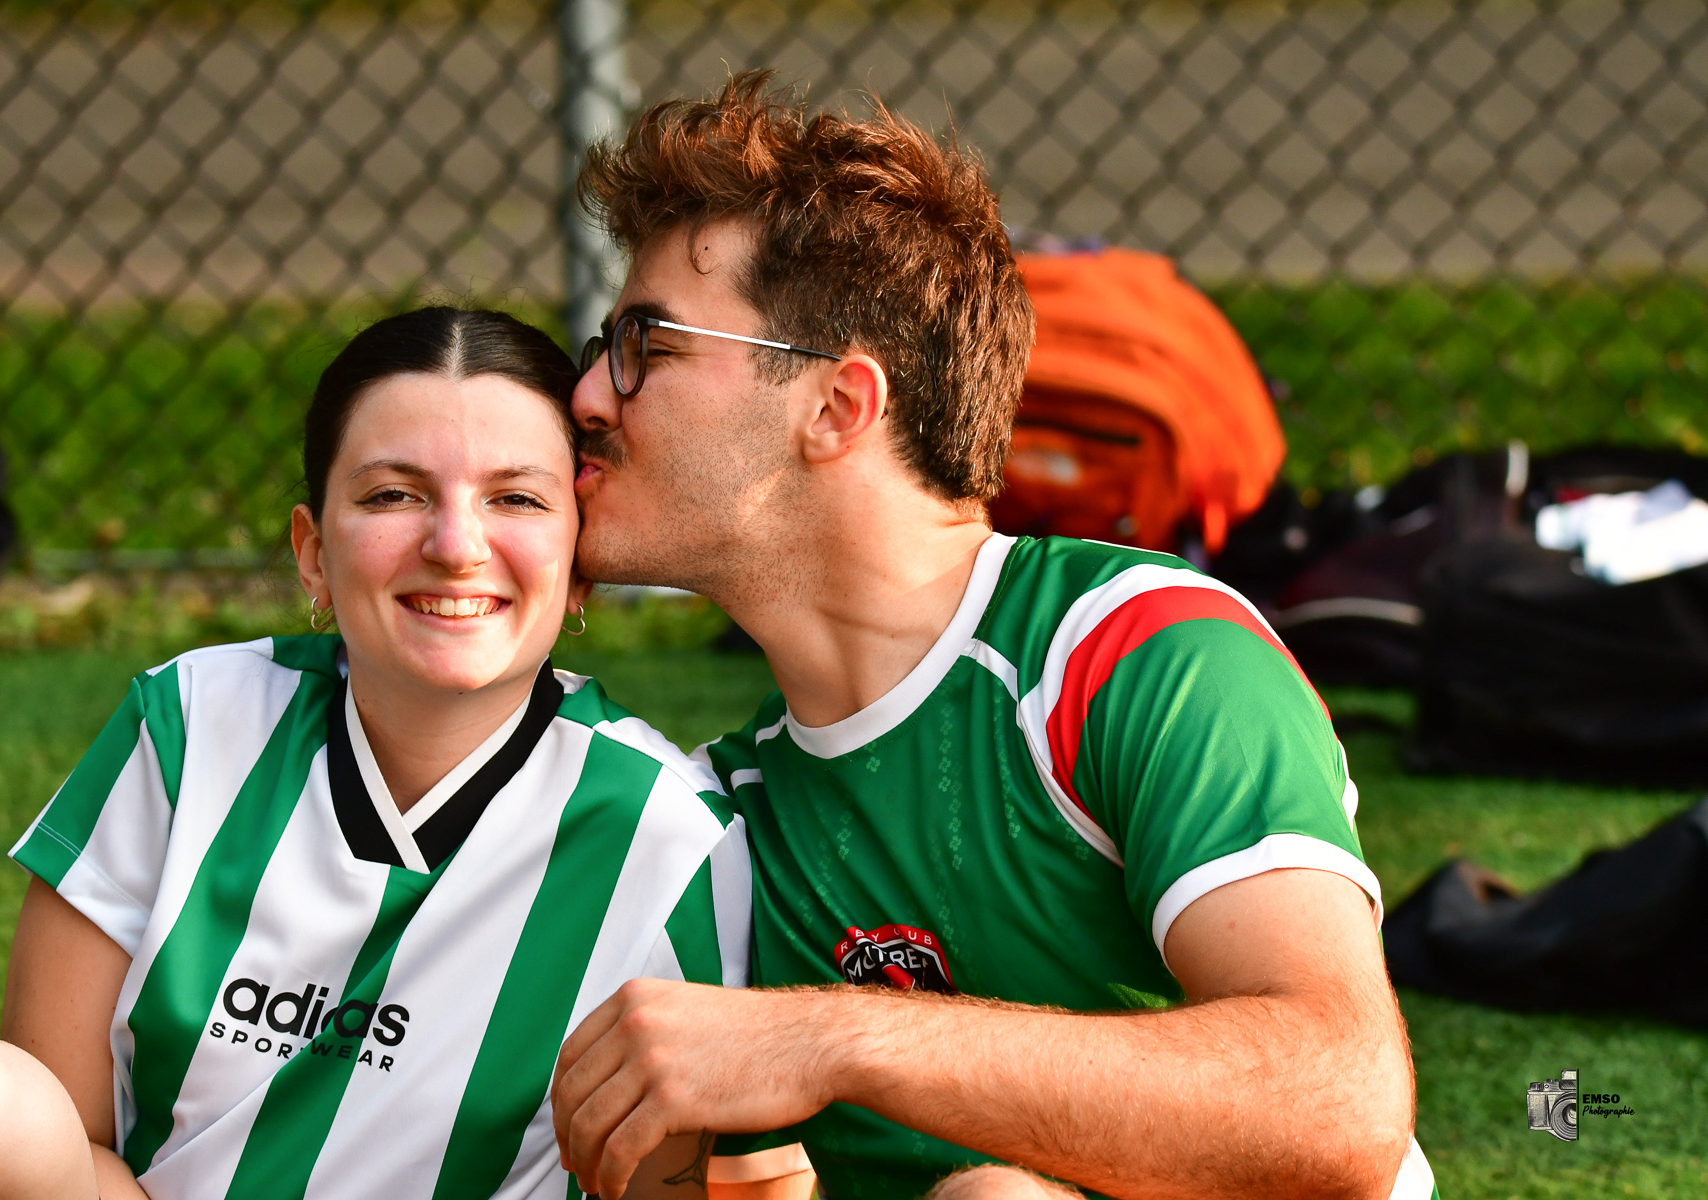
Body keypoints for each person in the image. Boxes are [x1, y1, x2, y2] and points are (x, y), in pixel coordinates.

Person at [549, 74, 1436, 1200]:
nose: (586, 393)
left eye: (646, 343)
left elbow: (1339, 1099)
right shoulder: (721, 814)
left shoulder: (1131, 655)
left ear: (837, 406)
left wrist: (829, 1037)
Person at [0, 308, 747, 1200]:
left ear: (579, 567)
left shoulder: (667, 840)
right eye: (395, 494)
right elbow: (59, 1139)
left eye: (517, 499)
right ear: (312, 552)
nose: (456, 546)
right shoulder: (191, 724)